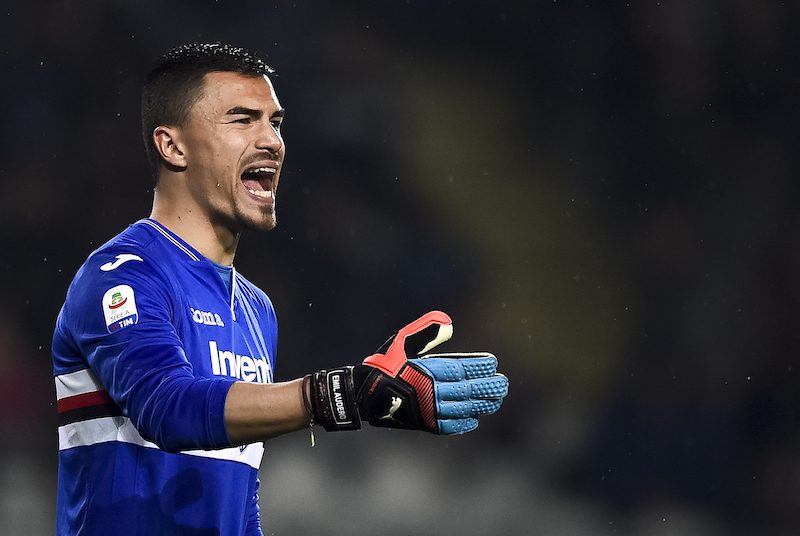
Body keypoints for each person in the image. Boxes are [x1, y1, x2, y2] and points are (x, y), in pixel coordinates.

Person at [52, 43, 508, 535]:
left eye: (275, 122)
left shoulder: (257, 310)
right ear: (173, 147)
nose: (271, 140)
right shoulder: (122, 275)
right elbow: (168, 409)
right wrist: (339, 394)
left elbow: (240, 503)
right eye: (242, 120)